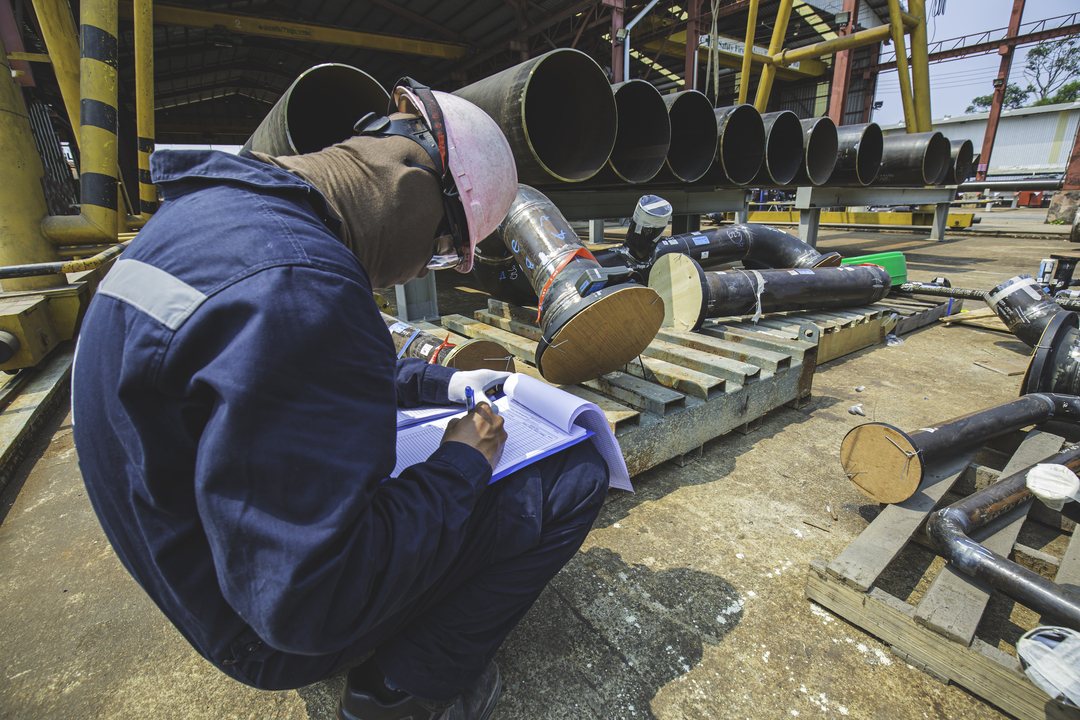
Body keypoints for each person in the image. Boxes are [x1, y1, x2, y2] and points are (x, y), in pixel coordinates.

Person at [71, 79, 610, 720]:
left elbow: (279, 370)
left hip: (196, 569)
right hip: (264, 633)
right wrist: (461, 465)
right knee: (576, 475)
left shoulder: (218, 213)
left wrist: (443, 385)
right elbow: (311, 603)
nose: (421, 269)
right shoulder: (306, 290)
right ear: (414, 184)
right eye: (444, 250)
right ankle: (401, 693)